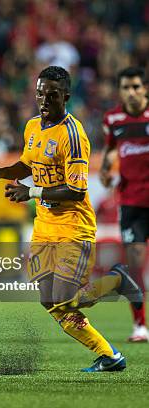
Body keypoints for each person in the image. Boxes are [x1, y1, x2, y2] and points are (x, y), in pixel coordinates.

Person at [0, 66, 143, 372]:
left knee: (65, 299)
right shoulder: (32, 126)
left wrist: (30, 193)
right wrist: (2, 172)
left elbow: (76, 190)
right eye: (40, 93)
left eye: (52, 95)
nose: (44, 100)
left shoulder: (73, 134)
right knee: (49, 301)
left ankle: (118, 279)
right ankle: (109, 356)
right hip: (45, 226)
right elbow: (27, 164)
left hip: (73, 226)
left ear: (66, 97)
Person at [100, 67, 149, 343]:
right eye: (126, 88)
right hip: (131, 203)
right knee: (135, 263)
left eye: (136, 87)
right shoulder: (113, 119)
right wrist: (107, 170)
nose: (131, 92)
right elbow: (109, 150)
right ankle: (140, 325)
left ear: (144, 89)